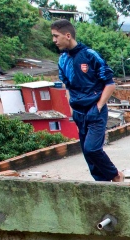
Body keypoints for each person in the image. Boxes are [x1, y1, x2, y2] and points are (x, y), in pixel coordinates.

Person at [50, 19, 124, 183]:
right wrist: (71, 108)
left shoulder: (90, 55)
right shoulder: (63, 60)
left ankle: (116, 175)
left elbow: (110, 84)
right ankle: (102, 185)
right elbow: (67, 86)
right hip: (79, 112)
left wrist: (98, 106)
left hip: (94, 110)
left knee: (92, 149)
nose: (54, 40)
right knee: (87, 154)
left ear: (67, 35)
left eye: (56, 36)